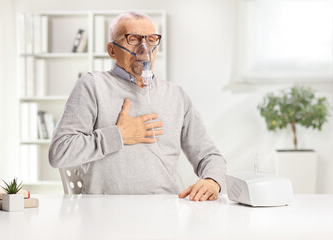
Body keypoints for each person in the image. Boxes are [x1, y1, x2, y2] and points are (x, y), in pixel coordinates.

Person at [49, 11, 226, 202]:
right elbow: (60, 152)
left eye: (151, 40)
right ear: (112, 50)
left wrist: (212, 180)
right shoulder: (93, 86)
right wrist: (118, 135)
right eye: (133, 39)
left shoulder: (176, 96)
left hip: (163, 212)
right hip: (104, 215)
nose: (144, 48)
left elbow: (209, 155)